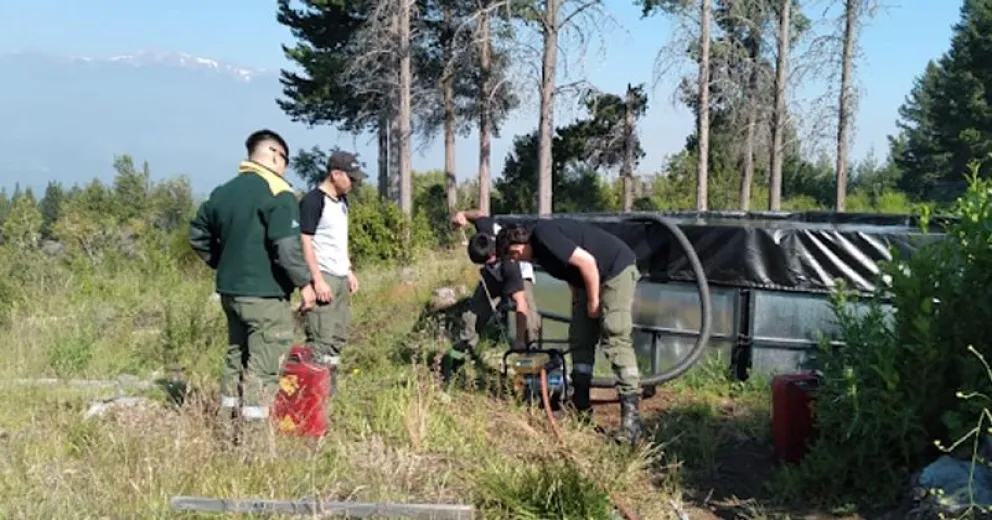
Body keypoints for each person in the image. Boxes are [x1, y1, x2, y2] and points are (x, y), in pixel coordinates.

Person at [188, 129, 316, 437]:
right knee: (263, 365)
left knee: (236, 358)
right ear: (273, 154)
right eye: (285, 159)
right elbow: (286, 247)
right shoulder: (278, 192)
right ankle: (253, 444)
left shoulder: (223, 192)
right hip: (265, 295)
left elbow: (197, 235)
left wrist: (222, 261)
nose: (285, 166)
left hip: (231, 293)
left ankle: (225, 426)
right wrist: (305, 283)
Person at [496, 218, 645, 445]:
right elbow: (570, 270)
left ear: (518, 246)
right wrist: (578, 297)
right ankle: (581, 406)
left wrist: (593, 301)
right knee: (580, 336)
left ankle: (632, 421)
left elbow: (587, 262)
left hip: (614, 270)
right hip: (589, 279)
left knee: (614, 333)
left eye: (514, 256)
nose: (516, 261)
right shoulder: (540, 254)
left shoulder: (544, 235)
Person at [298, 150, 367, 397]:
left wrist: (348, 271)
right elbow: (305, 241)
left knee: (338, 337)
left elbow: (339, 240)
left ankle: (331, 393)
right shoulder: (313, 201)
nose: (354, 183)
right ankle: (312, 397)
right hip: (323, 277)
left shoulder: (342, 202)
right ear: (336, 174)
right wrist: (316, 280)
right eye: (351, 178)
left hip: (340, 277)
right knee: (320, 339)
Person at [443, 209, 541, 381]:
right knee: (471, 317)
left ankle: (530, 373)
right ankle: (455, 365)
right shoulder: (485, 230)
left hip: (517, 274)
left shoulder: (511, 265)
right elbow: (479, 214)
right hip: (493, 276)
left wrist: (518, 340)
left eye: (486, 261)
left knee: (529, 324)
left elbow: (521, 304)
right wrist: (463, 215)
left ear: (494, 253)